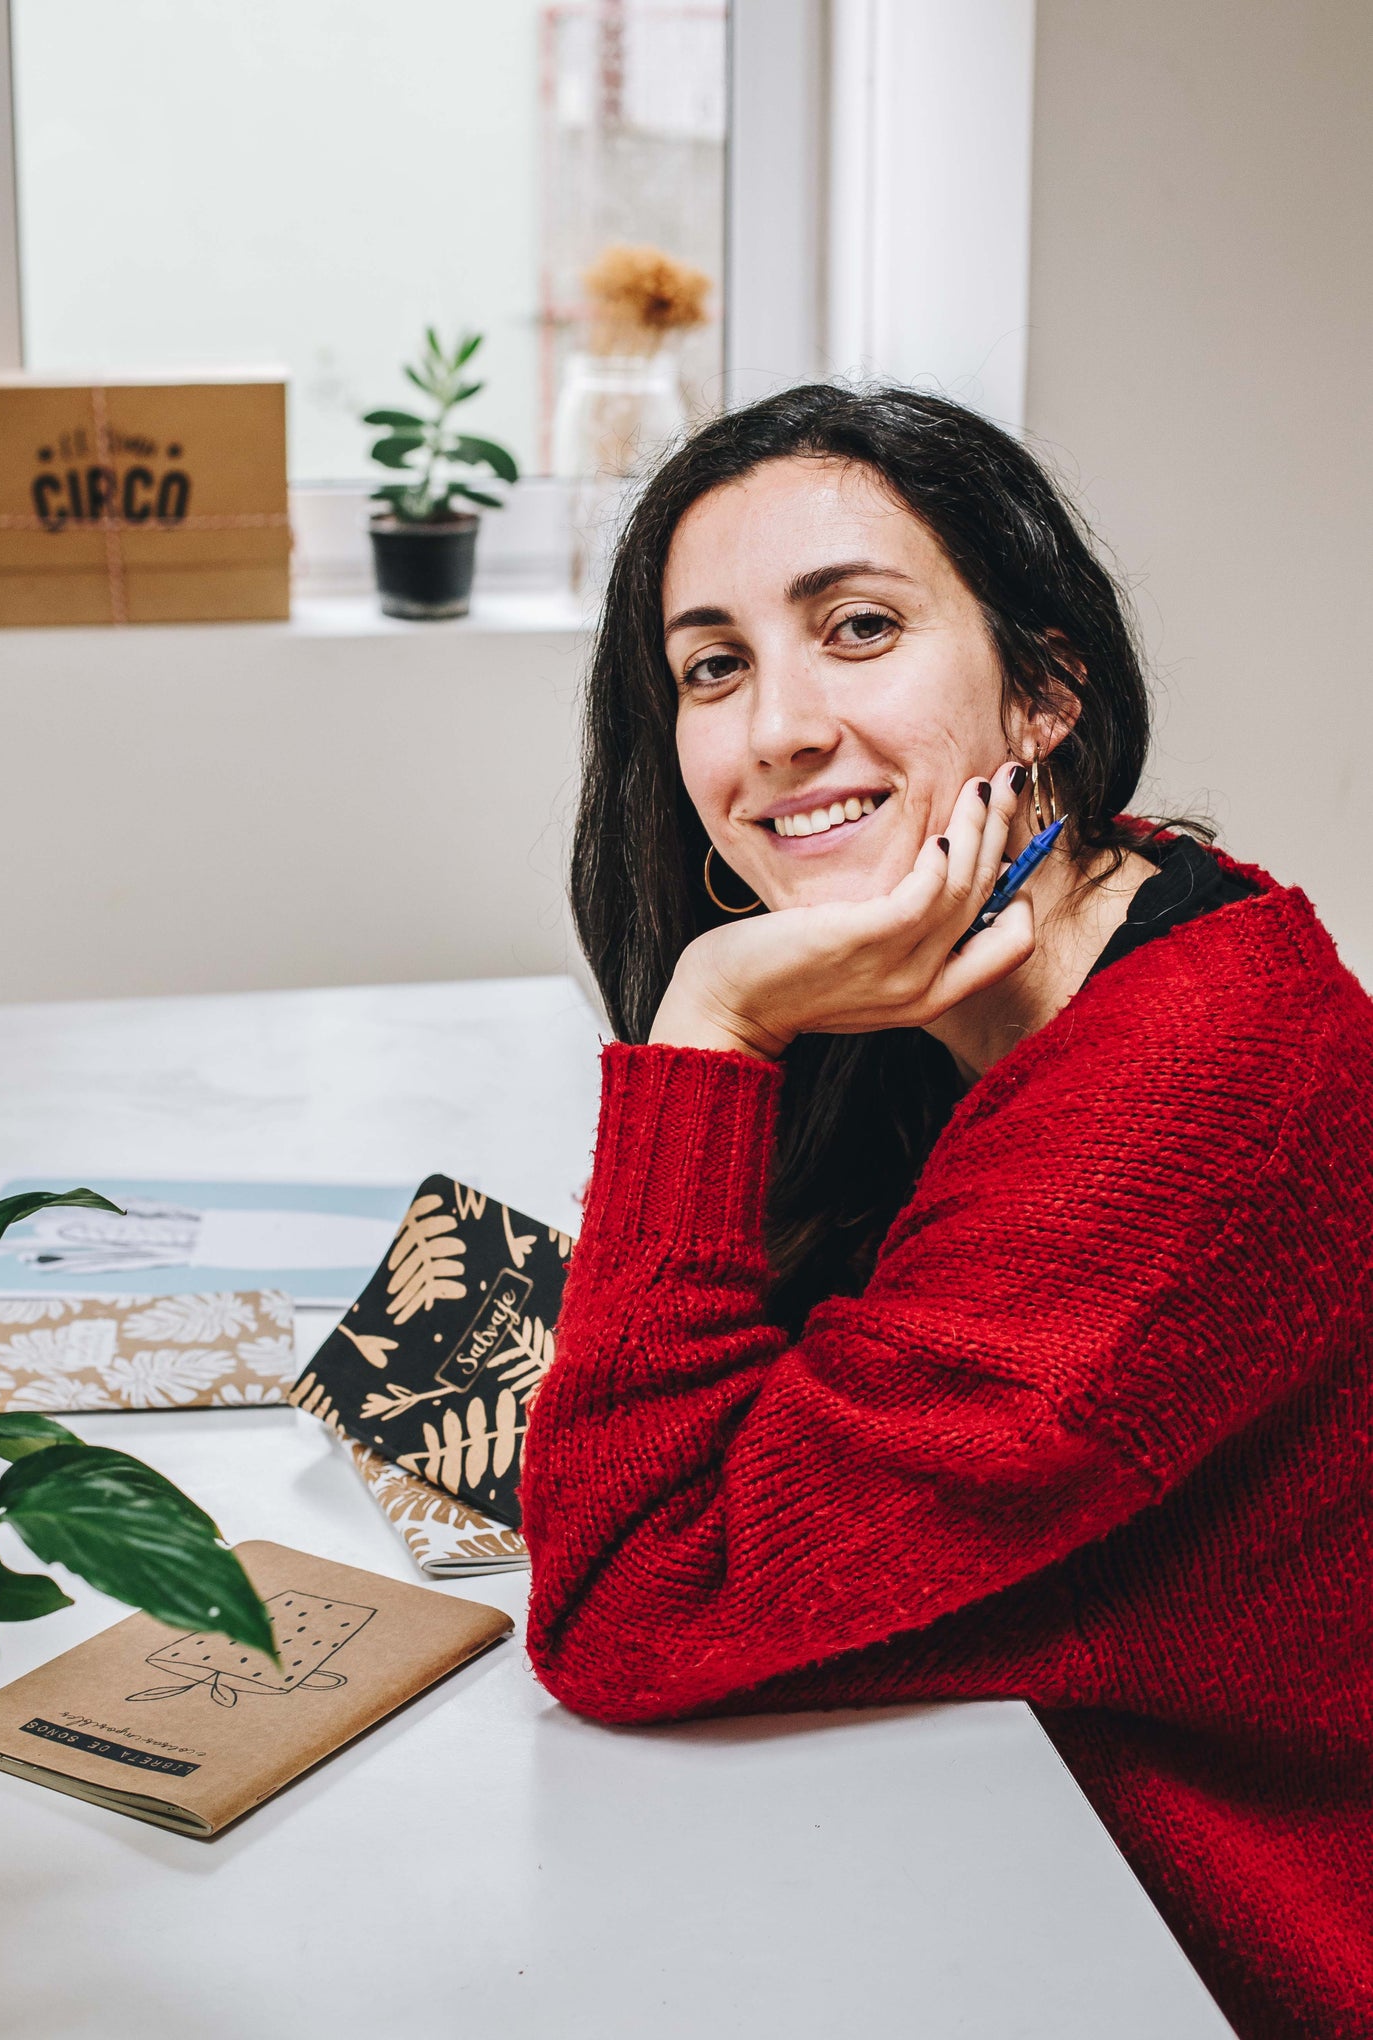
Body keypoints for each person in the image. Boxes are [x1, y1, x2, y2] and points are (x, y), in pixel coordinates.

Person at [519, 385, 1373, 2040]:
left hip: (1229, 1958)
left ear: (1042, 689)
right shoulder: (977, 978)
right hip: (1012, 1860)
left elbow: (627, 1602)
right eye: (712, 665)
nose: (773, 726)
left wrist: (709, 1027)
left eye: (855, 628)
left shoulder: (1194, 1081)